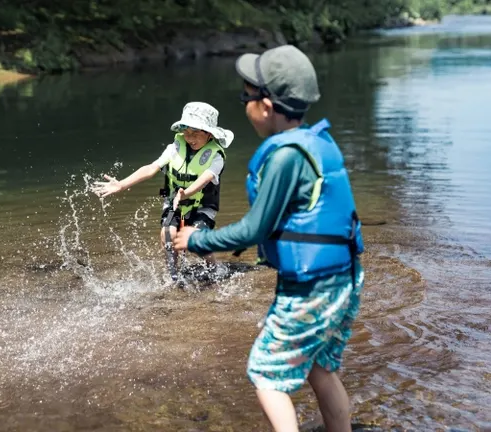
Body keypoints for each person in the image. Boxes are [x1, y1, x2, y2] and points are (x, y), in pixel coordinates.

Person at [173, 45, 365, 432]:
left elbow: (254, 228)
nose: (243, 104)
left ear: (265, 106)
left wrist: (195, 240)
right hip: (341, 278)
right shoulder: (317, 143)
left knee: (264, 373)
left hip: (310, 287)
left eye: (246, 95)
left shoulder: (284, 157)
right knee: (320, 368)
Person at [92, 102, 234, 277]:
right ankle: (173, 275)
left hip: (202, 205)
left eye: (196, 133)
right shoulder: (174, 148)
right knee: (168, 234)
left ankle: (214, 270)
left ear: (210, 134)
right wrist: (122, 184)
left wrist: (186, 193)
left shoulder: (216, 156)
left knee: (195, 240)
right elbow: (151, 168)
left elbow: (205, 179)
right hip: (174, 201)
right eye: (187, 132)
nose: (190, 138)